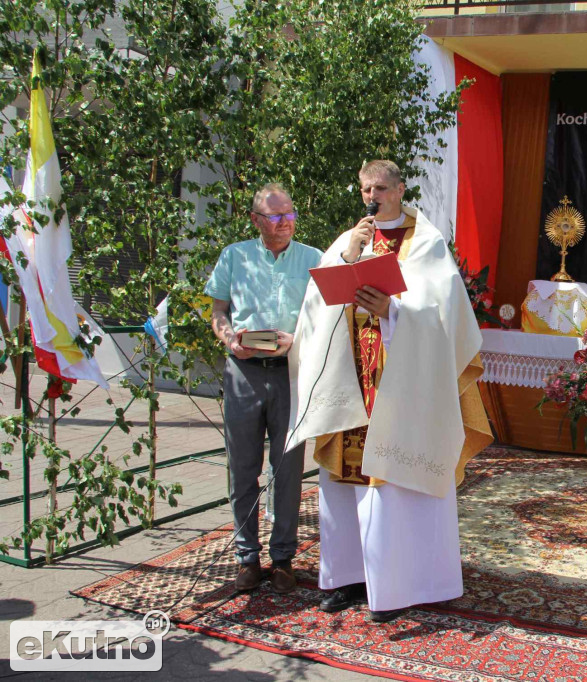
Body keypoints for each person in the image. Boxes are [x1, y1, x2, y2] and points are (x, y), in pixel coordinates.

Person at [287, 160, 492, 624]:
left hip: (403, 384)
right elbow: (315, 306)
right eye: (365, 188)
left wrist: (393, 311)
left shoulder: (428, 243)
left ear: (400, 189)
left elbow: (447, 316)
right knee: (345, 483)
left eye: (380, 187)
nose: (372, 196)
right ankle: (347, 578)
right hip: (351, 379)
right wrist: (347, 260)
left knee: (396, 485)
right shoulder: (348, 240)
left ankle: (401, 584)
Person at [206, 183, 324, 593]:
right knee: (242, 467)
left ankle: (285, 559)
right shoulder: (234, 256)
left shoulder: (314, 259)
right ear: (256, 220)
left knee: (289, 467)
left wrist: (300, 340)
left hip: (291, 371)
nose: (285, 222)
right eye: (275, 216)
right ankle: (247, 559)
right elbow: (218, 310)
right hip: (244, 372)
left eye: (289, 213)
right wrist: (228, 338)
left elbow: (327, 318)